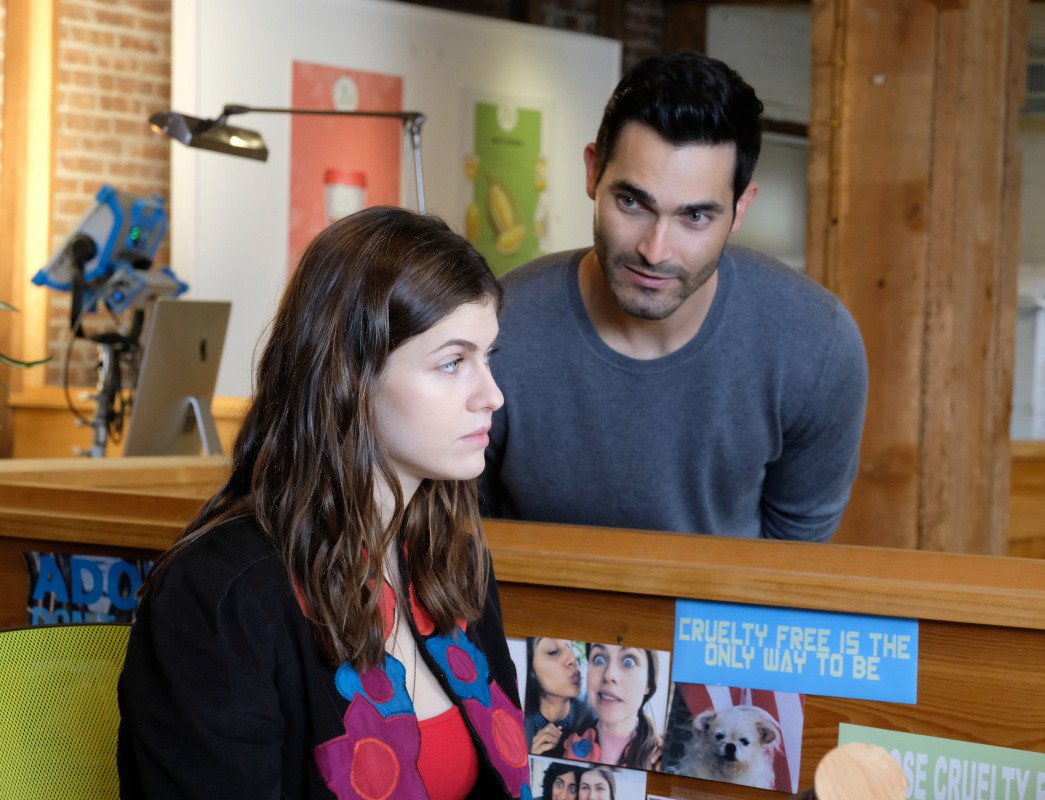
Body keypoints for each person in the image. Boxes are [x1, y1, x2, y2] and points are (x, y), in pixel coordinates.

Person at [117, 207, 530, 800]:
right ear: (350, 377)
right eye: (452, 363)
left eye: (487, 357)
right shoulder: (220, 596)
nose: (491, 396)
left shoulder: (449, 559)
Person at [480, 51, 868, 541]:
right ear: (593, 173)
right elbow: (458, 540)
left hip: (725, 594)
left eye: (695, 216)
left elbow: (795, 551)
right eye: (631, 202)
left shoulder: (816, 343)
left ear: (740, 208)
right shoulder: (495, 329)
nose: (655, 250)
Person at [562, 644, 661, 770]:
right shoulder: (563, 743)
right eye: (599, 660)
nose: (609, 675)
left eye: (629, 662)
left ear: (648, 684)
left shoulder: (660, 760)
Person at [525, 637, 595, 756]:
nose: (573, 659)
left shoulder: (594, 719)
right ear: (531, 671)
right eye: (553, 652)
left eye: (571, 648)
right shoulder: (514, 724)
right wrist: (530, 759)